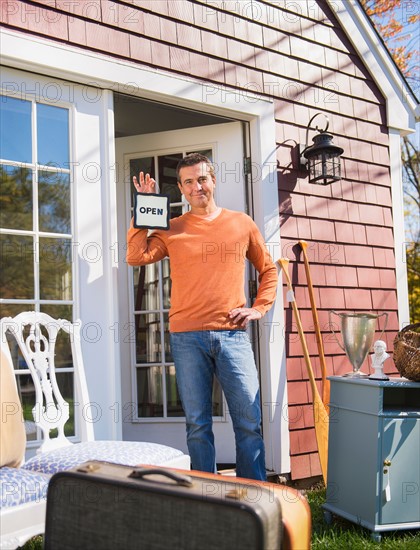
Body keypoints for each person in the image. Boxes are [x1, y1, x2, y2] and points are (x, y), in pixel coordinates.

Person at [126, 153, 278, 480]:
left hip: (233, 335)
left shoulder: (242, 223)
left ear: (214, 179)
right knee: (198, 424)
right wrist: (145, 206)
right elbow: (136, 256)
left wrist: (258, 308)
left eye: (203, 179)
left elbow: (268, 270)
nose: (198, 187)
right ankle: (205, 497)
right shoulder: (173, 228)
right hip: (186, 338)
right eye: (190, 182)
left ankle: (255, 495)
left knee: (249, 421)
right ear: (181, 189)